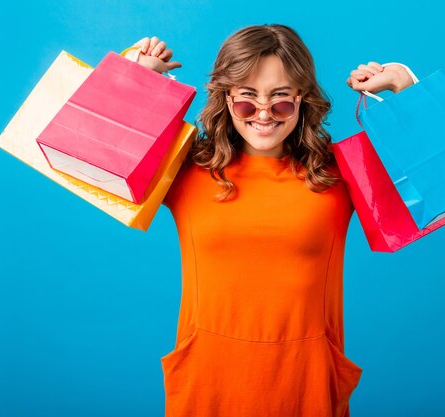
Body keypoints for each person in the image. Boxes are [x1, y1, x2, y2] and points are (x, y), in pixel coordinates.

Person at [122, 24, 414, 417]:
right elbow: (87, 154)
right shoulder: (187, 166)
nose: (263, 113)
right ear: (226, 98)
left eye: (280, 100)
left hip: (305, 383)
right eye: (246, 99)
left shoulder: (339, 173)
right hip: (207, 382)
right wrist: (133, 72)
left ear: (303, 99)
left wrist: (403, 82)